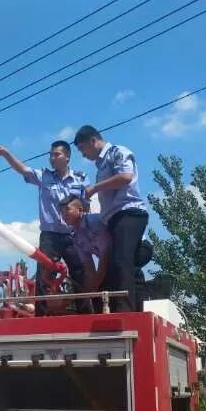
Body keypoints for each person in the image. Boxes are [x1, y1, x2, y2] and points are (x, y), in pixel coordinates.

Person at [0, 141, 87, 314]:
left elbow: (85, 206)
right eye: (50, 154)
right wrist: (6, 154)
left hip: (72, 234)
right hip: (49, 235)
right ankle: (41, 315)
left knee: (80, 272)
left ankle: (86, 313)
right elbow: (23, 169)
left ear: (67, 157)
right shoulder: (44, 176)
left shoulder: (80, 179)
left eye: (56, 154)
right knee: (44, 275)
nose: (52, 158)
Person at [73, 125, 148, 312]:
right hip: (113, 219)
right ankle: (132, 305)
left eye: (83, 149)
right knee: (119, 264)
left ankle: (125, 309)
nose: (83, 155)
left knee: (122, 261)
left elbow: (125, 176)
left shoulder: (117, 152)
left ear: (93, 141)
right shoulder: (100, 167)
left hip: (128, 213)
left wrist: (94, 188)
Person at [59, 195, 111, 308]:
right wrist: (91, 290)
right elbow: (88, 267)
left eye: (67, 210)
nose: (64, 215)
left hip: (132, 251)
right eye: (61, 212)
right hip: (111, 260)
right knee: (97, 295)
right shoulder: (75, 236)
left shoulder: (94, 222)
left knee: (110, 282)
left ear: (80, 210)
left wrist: (96, 284)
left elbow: (105, 255)